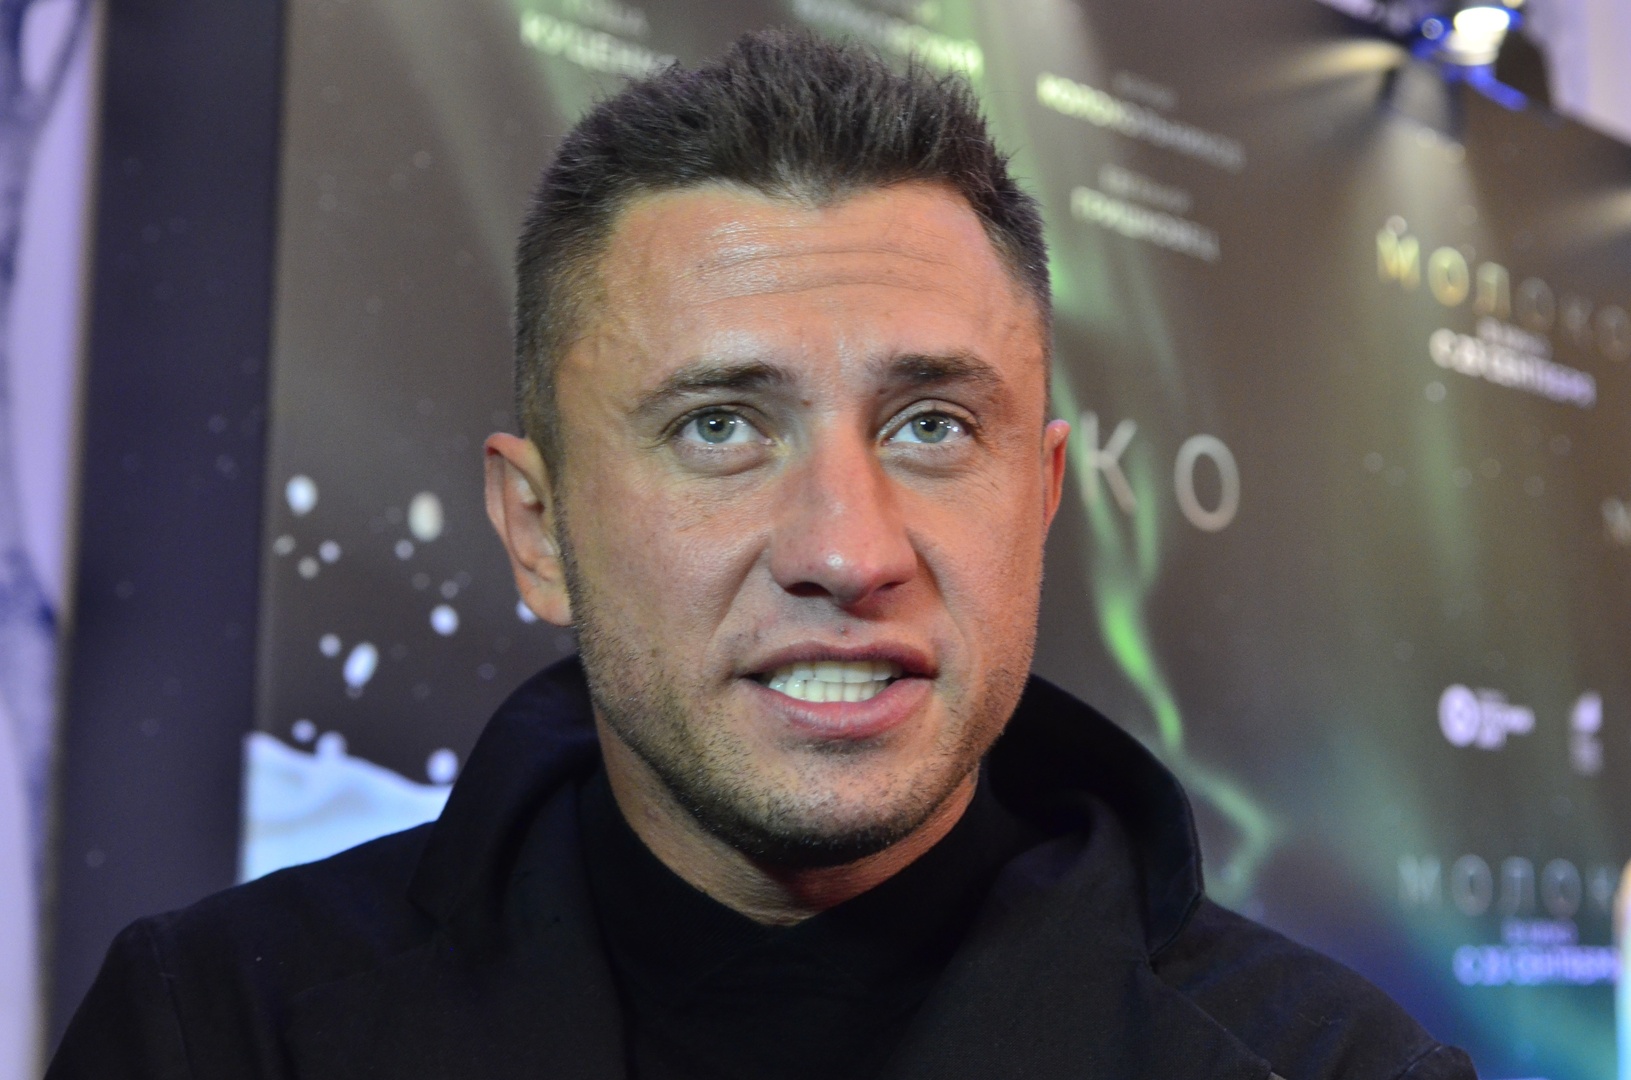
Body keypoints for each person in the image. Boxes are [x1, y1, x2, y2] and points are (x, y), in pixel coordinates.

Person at [50, 30, 1475, 1080]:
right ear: (537, 532)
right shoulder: (220, 1033)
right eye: (721, 426)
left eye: (929, 425)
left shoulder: (1330, 1068)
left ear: (1042, 499)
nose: (847, 551)